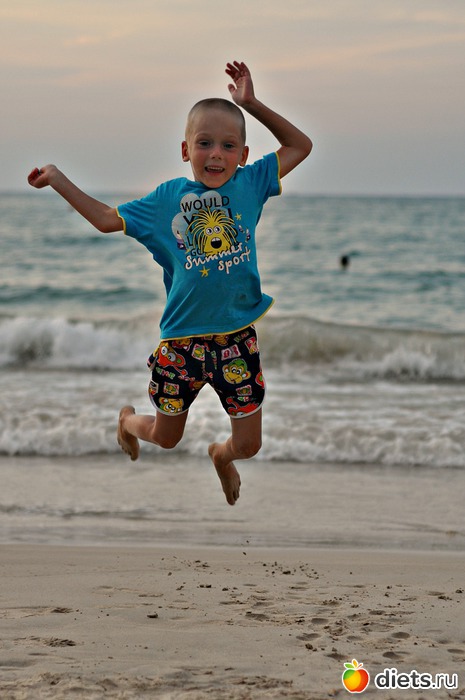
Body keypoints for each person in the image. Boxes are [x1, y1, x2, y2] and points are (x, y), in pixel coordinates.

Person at [28, 60, 312, 506]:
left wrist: (251, 103)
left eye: (228, 146)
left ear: (242, 154)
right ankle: (126, 421)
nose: (215, 154)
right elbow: (106, 219)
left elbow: (300, 145)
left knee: (249, 445)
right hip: (181, 343)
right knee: (166, 437)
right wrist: (58, 180)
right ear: (185, 150)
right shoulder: (165, 201)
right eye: (204, 143)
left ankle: (220, 456)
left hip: (237, 338)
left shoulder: (252, 183)